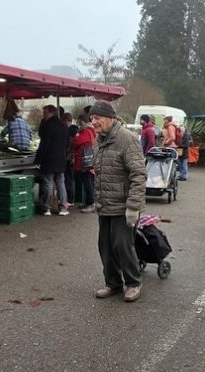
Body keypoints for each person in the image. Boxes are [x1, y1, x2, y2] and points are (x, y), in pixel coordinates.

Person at [89, 100, 147, 302]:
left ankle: (133, 283)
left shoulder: (127, 139)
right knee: (104, 246)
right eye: (92, 118)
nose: (93, 122)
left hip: (123, 206)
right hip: (105, 204)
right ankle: (112, 283)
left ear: (110, 118)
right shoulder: (99, 140)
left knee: (122, 245)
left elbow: (139, 174)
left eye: (97, 118)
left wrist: (133, 207)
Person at [36, 104, 70, 216]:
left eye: (45, 113)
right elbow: (67, 143)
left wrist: (38, 160)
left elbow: (44, 144)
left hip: (49, 159)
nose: (43, 115)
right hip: (61, 158)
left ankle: (47, 208)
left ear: (51, 112)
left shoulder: (47, 125)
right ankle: (63, 207)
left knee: (48, 183)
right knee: (61, 183)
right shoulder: (63, 125)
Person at [72, 113, 97, 213]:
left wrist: (76, 135)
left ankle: (91, 203)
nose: (78, 125)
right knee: (89, 182)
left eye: (79, 122)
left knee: (87, 183)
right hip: (89, 161)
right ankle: (88, 202)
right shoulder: (92, 130)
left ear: (82, 122)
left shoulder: (86, 132)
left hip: (85, 162)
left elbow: (76, 142)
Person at [63, 112, 77, 206]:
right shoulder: (75, 129)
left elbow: (70, 145)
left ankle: (70, 199)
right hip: (71, 157)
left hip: (69, 158)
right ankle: (70, 198)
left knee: (68, 179)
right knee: (70, 178)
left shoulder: (70, 131)